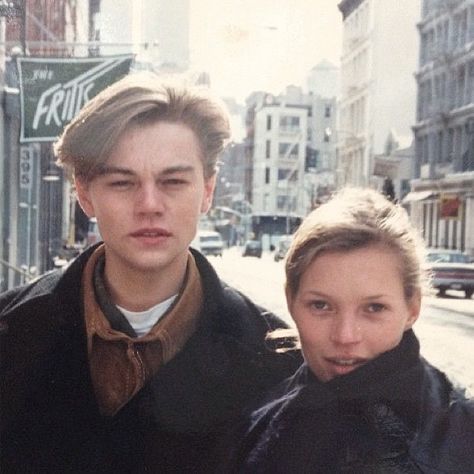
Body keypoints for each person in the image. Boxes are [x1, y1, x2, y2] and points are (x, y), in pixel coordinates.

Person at [0, 73, 301, 473]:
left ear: (207, 191)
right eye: (123, 182)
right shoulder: (10, 331)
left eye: (173, 181)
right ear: (85, 194)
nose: (149, 204)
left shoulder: (278, 359)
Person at [220, 187, 474, 473]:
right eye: (321, 306)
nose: (345, 336)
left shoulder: (462, 436)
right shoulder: (251, 423)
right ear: (291, 301)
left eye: (374, 308)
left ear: (412, 308)